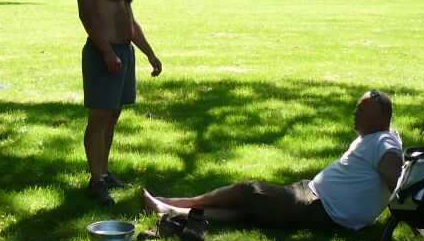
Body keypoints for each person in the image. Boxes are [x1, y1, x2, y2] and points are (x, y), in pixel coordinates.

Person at [143, 91, 403, 232]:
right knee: (250, 210)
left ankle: (178, 204)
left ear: (380, 116)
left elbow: (397, 185)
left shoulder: (383, 144)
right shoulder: (381, 137)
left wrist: (412, 221)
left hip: (317, 205)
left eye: (361, 109)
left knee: (248, 190)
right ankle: (173, 209)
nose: (355, 113)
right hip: (315, 199)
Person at [78, 0, 163, 206]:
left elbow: (130, 20)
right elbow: (88, 15)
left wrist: (150, 53)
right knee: (98, 118)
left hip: (124, 53)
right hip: (104, 53)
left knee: (113, 115)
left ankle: (104, 173)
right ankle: (96, 182)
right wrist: (106, 51)